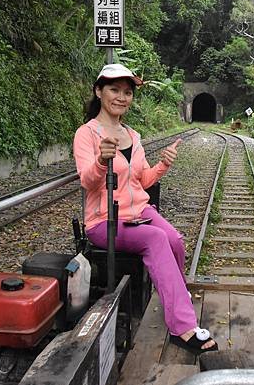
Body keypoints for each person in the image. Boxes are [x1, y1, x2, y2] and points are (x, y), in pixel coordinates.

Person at [73, 63, 217, 354]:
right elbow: (88, 183)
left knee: (175, 239)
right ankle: (183, 326)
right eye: (114, 89)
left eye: (127, 92)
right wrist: (102, 160)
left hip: (139, 212)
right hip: (105, 220)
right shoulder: (86, 134)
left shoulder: (133, 136)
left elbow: (143, 180)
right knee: (156, 239)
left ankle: (177, 294)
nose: (122, 97)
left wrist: (163, 163)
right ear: (99, 91)